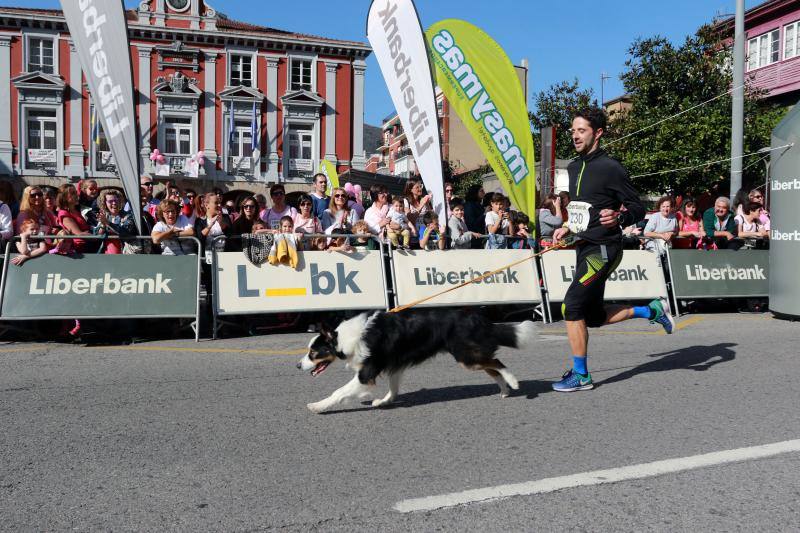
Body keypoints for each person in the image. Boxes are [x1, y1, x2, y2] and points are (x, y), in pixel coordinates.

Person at [550, 107, 673, 393]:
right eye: (573, 131)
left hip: (605, 247)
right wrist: (568, 227)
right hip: (583, 245)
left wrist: (619, 217)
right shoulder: (573, 166)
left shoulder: (611, 168)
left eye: (581, 130)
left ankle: (581, 375)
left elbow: (637, 207)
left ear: (598, 133)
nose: (575, 136)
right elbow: (584, 208)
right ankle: (650, 310)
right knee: (592, 316)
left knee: (571, 306)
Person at [93, 189, 136, 254]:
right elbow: (96, 235)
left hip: (125, 254)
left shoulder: (128, 216)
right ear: (105, 203)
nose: (114, 203)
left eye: (116, 200)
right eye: (110, 201)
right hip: (106, 255)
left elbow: (125, 231)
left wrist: (108, 223)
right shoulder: (105, 216)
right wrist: (103, 224)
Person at [56, 184, 94, 253]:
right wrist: (97, 237)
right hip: (81, 247)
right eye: (73, 193)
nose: (76, 195)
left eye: (76, 192)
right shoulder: (64, 213)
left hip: (89, 243)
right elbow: (79, 234)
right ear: (64, 197)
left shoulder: (75, 210)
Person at [194, 193, 232, 262]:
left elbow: (230, 234)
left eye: (220, 203)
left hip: (224, 258)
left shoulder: (225, 217)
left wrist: (221, 222)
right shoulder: (200, 221)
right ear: (206, 205)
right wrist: (210, 225)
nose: (219, 205)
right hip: (207, 259)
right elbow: (199, 238)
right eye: (216, 203)